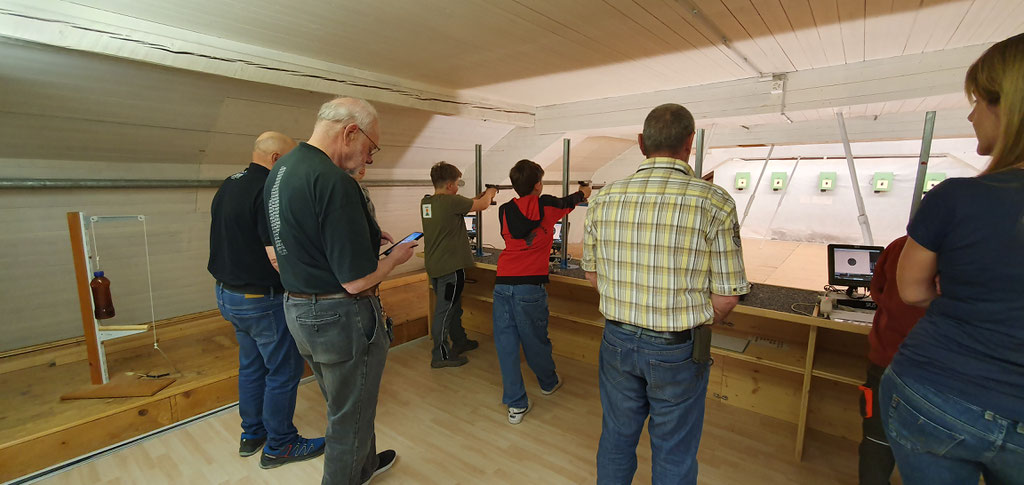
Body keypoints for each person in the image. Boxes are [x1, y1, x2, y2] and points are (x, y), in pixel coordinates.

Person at [879, 33, 1024, 485]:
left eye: (979, 101)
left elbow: (911, 290)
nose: (972, 114)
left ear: (1009, 106)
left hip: (935, 389)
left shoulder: (956, 197)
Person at [581, 103, 750, 485]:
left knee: (616, 440)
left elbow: (592, 273)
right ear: (690, 143)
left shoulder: (604, 198)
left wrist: (625, 303)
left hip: (616, 339)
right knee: (674, 451)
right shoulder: (715, 201)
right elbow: (727, 296)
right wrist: (684, 317)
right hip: (678, 348)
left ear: (641, 143)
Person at [265, 97, 416, 485]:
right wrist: (395, 259)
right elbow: (356, 281)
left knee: (347, 402)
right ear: (350, 132)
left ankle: (364, 467)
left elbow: (305, 238)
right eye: (370, 147)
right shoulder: (335, 182)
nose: (369, 158)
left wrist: (362, 234)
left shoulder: (282, 169)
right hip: (339, 316)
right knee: (350, 417)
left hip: (298, 309)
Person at [207, 131, 324, 468]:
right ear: (275, 160)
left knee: (252, 366)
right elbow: (276, 255)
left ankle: (252, 434)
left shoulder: (230, 183)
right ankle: (281, 445)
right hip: (261, 299)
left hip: (228, 295)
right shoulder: (268, 189)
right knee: (283, 371)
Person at [492, 159, 591, 424]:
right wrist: (584, 191)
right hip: (529, 286)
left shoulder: (504, 211)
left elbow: (510, 241)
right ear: (538, 185)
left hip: (502, 283)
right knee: (535, 340)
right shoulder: (546, 204)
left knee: (506, 346)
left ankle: (516, 405)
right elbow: (571, 201)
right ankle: (548, 382)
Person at [858, 235, 926, 485]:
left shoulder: (901, 246)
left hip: (886, 364)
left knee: (876, 441)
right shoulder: (975, 253)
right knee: (931, 455)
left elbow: (877, 292)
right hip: (939, 375)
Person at [420, 162, 497, 368]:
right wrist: (491, 192)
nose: (457, 188)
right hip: (450, 269)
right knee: (445, 312)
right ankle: (440, 355)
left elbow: (462, 205)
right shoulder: (451, 202)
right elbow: (483, 206)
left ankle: (460, 341)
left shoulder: (427, 203)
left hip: (435, 266)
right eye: (456, 184)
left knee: (452, 308)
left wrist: (478, 197)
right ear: (449, 185)